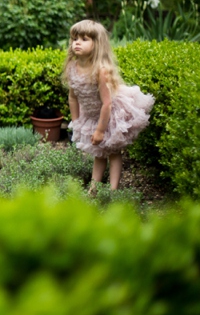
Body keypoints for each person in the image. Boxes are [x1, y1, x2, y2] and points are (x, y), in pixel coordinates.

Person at [62, 20, 155, 192]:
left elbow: (107, 103)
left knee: (113, 152)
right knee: (98, 153)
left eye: (84, 39)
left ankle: (113, 190)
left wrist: (100, 130)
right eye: (75, 38)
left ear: (96, 44)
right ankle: (94, 189)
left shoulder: (100, 70)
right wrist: (76, 123)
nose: (77, 42)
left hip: (110, 114)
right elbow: (73, 97)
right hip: (91, 115)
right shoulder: (71, 68)